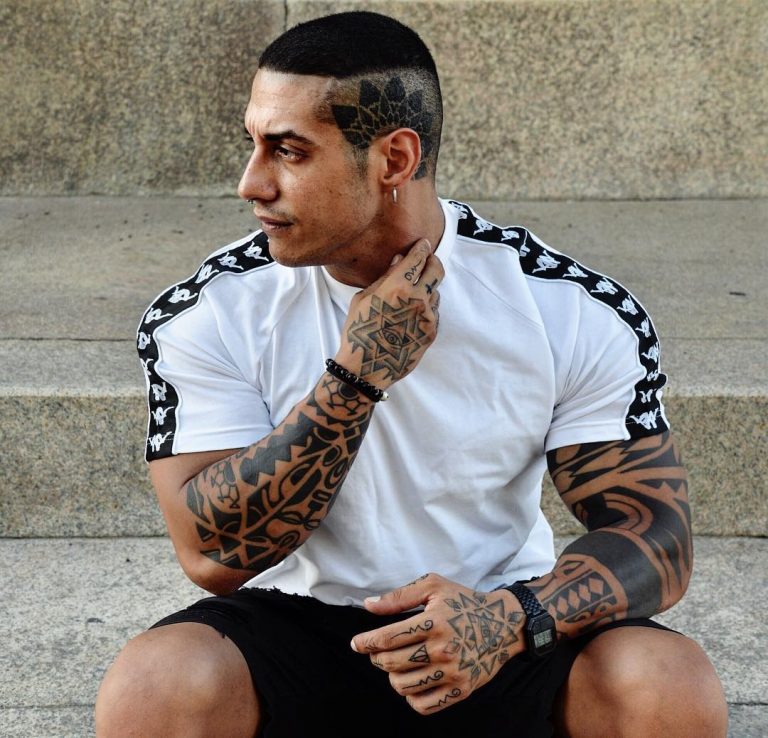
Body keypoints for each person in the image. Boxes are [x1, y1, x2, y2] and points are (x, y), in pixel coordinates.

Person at [95, 11, 727, 738]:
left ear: (393, 159)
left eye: (289, 151)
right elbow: (213, 555)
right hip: (291, 633)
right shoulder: (211, 310)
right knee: (155, 686)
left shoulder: (566, 307)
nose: (251, 184)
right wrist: (356, 377)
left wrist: (513, 619)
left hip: (493, 621)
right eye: (253, 145)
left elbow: (656, 533)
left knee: (667, 684)